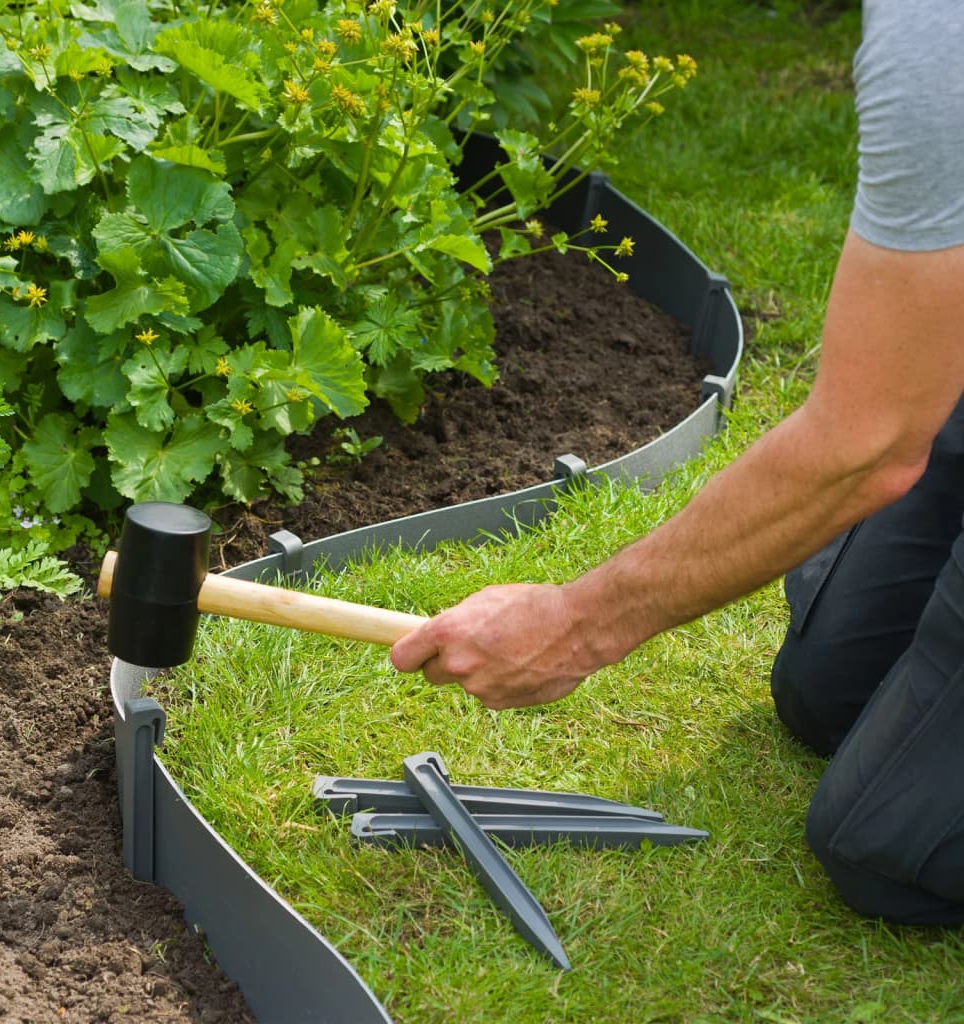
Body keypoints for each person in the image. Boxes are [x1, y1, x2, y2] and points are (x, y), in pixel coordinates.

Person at [391, 0, 964, 925]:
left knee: (886, 851)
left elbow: (869, 446)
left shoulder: (943, 47)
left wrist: (577, 623)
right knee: (824, 692)